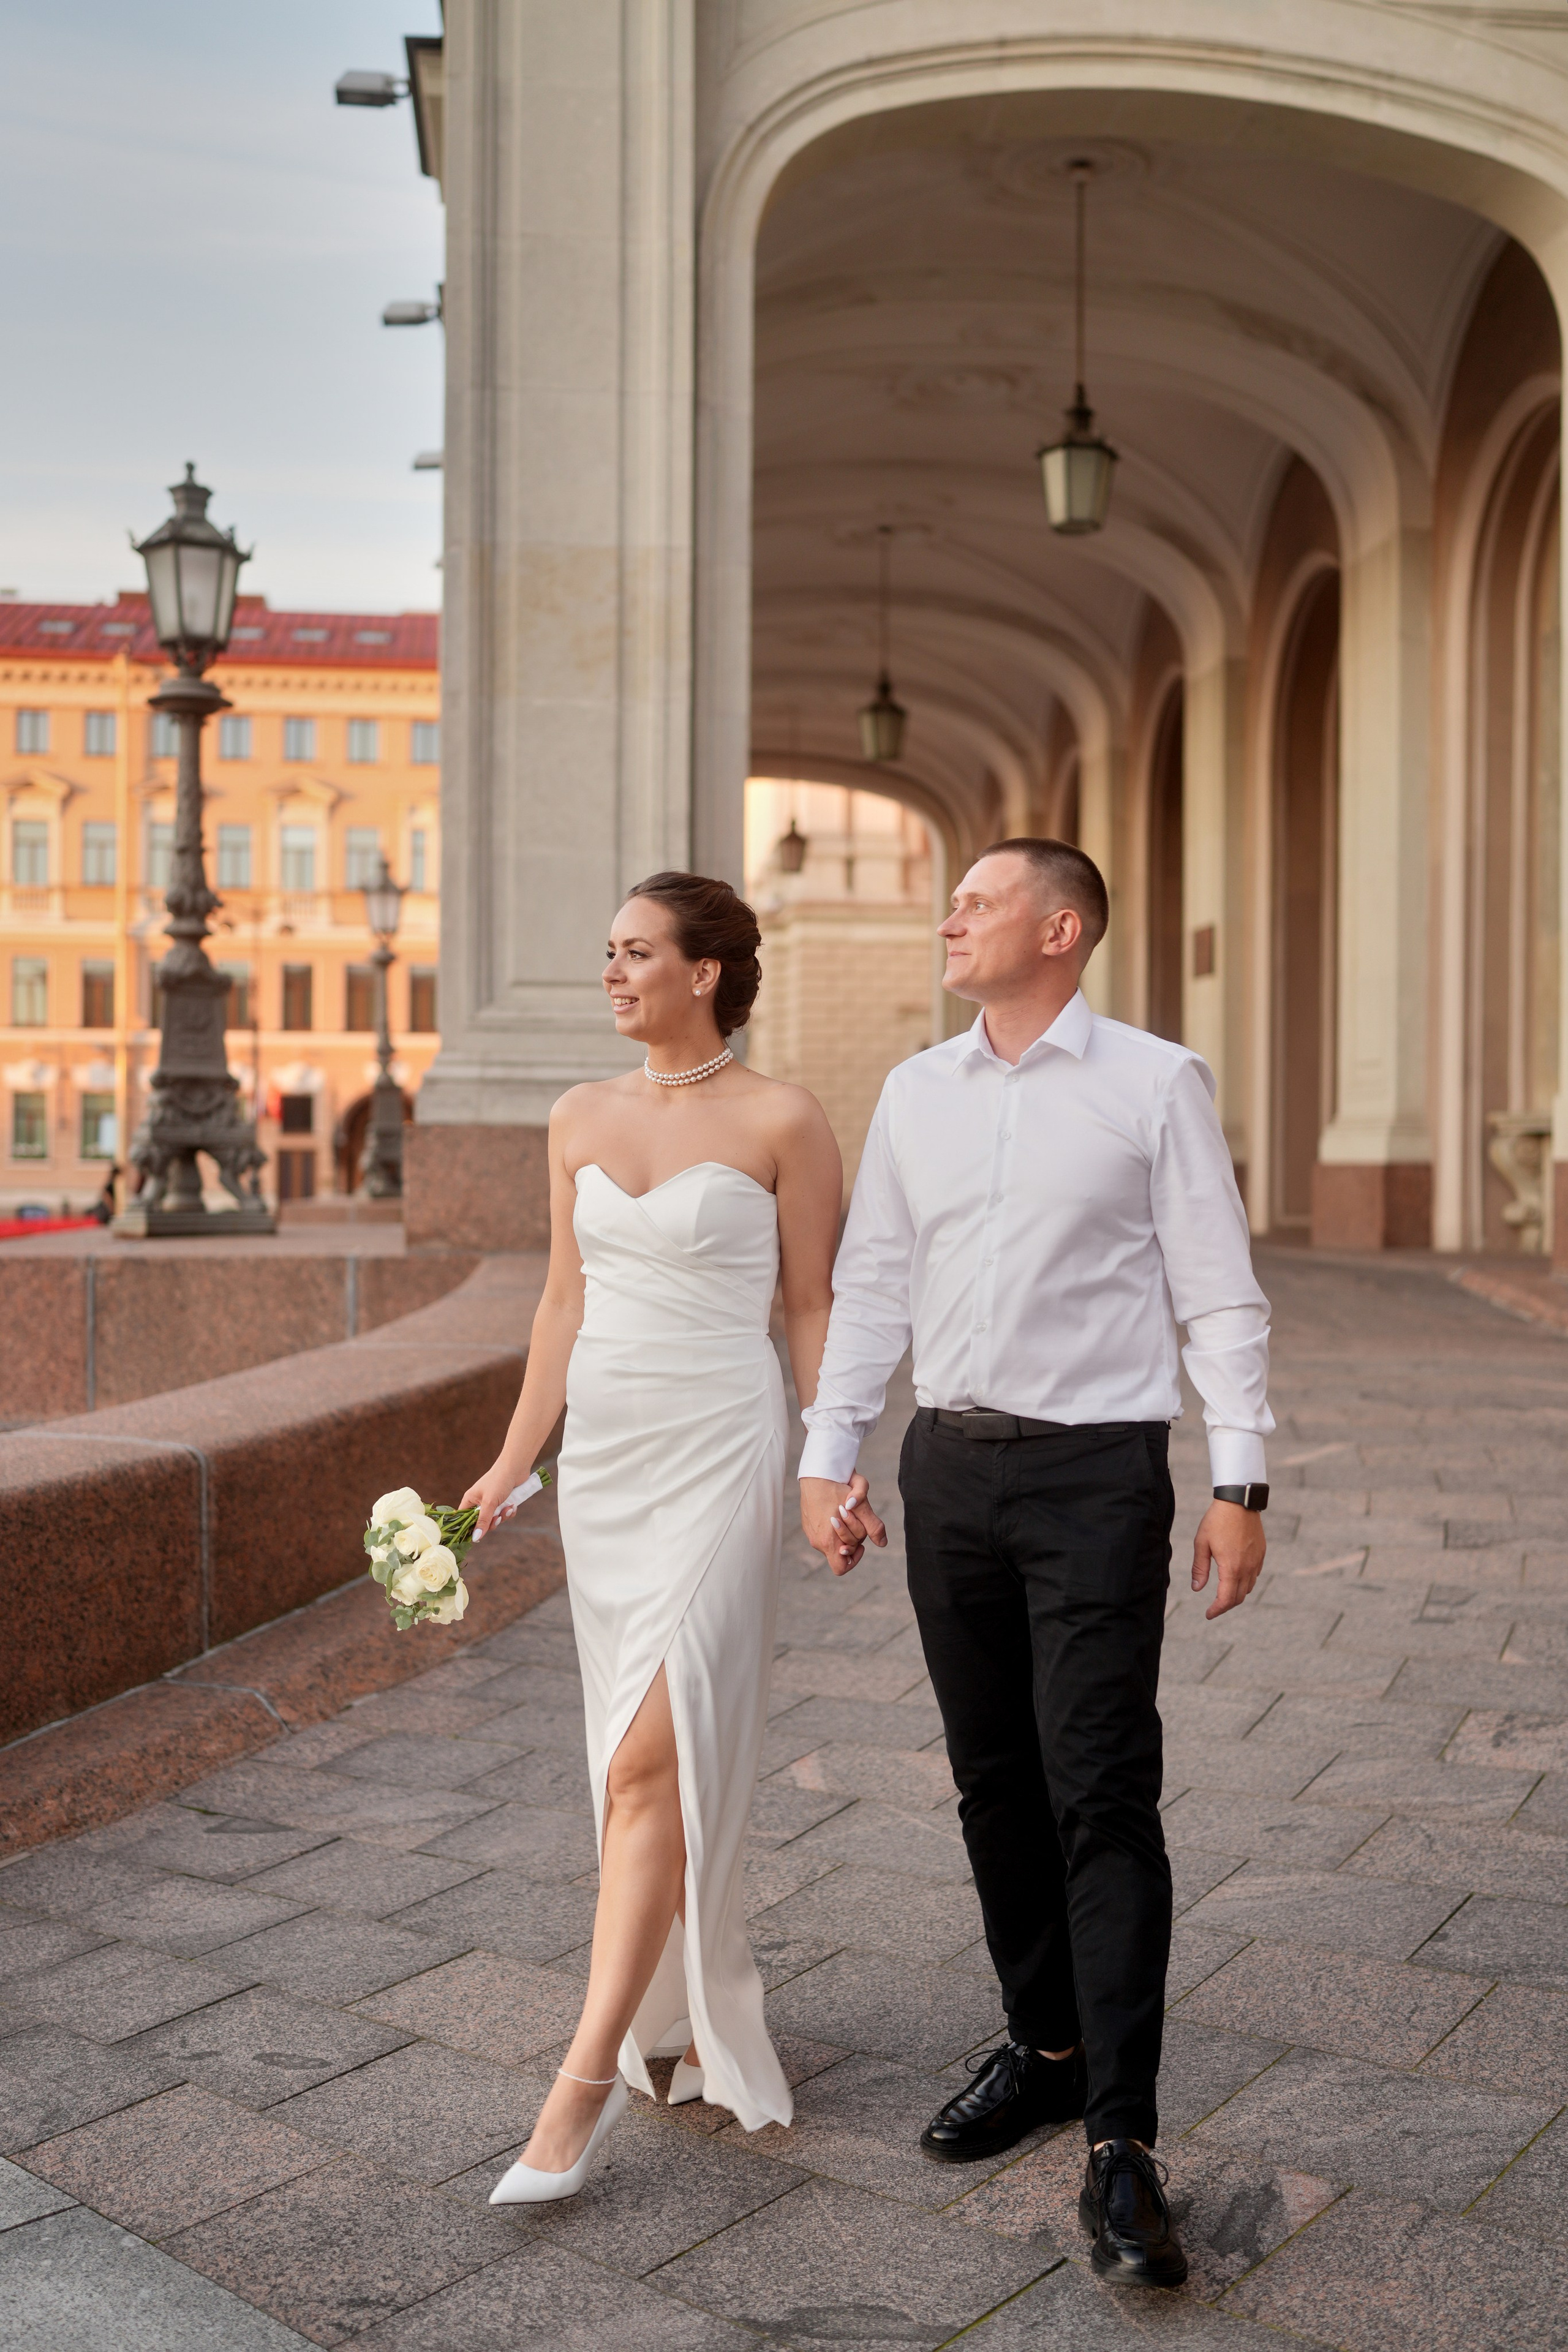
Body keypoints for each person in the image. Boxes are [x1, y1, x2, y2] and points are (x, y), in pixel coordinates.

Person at [798, 838, 1273, 2290]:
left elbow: (1215, 1288)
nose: (949, 919)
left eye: (977, 901)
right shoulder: (913, 1093)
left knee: (1098, 1784)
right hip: (947, 1469)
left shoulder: (1151, 1083)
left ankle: (1120, 2142)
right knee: (991, 1777)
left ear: (1059, 930)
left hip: (1094, 1476)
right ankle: (1045, 2048)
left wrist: (1238, 1477)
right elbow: (873, 1276)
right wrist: (832, 1453)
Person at [462, 870, 844, 2203]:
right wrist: (515, 1460)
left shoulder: (784, 1118)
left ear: (706, 970)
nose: (612, 975)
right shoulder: (577, 1113)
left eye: (636, 954)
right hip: (606, 1469)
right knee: (630, 1764)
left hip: (721, 1451)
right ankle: (666, 2018)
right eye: (608, 951)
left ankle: (574, 2097)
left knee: (643, 1763)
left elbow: (809, 1308)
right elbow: (562, 1304)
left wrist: (829, 1461)